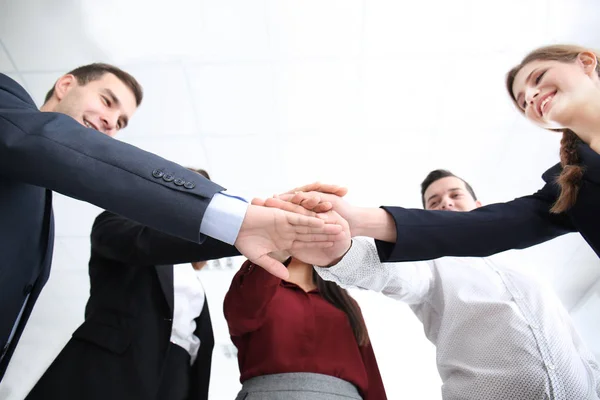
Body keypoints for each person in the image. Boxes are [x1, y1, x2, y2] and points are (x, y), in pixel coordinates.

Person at [0, 65, 341, 379]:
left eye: (120, 122)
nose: (110, 123)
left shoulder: (39, 197)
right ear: (65, 84)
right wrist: (240, 219)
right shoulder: (7, 99)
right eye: (106, 102)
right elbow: (105, 178)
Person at [265, 45, 600, 267]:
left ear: (585, 62)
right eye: (523, 100)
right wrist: (356, 220)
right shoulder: (571, 190)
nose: (531, 96)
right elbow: (480, 229)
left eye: (538, 79)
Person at [315, 169, 600, 400]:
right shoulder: (428, 263)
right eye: (434, 203)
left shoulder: (528, 269)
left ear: (478, 206)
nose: (446, 203)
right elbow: (390, 274)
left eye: (454, 195)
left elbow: (572, 338)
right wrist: (340, 253)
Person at [25, 168, 238, 400]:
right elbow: (146, 245)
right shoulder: (118, 221)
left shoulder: (191, 273)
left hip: (178, 372)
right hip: (115, 367)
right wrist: (236, 236)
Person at [223, 233, 387, 400]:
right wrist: (275, 257)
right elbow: (240, 316)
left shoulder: (345, 303)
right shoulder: (254, 285)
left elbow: (371, 374)